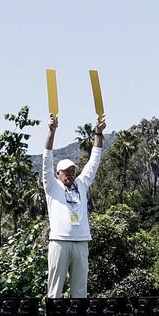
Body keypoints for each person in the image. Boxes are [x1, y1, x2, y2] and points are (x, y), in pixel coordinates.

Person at [43, 113, 104, 298]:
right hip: (59, 242)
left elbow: (94, 162)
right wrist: (52, 132)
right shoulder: (52, 186)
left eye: (72, 171)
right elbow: (46, 160)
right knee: (55, 291)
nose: (70, 174)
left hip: (81, 241)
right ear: (58, 174)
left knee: (79, 291)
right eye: (66, 172)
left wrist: (98, 134)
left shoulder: (81, 184)